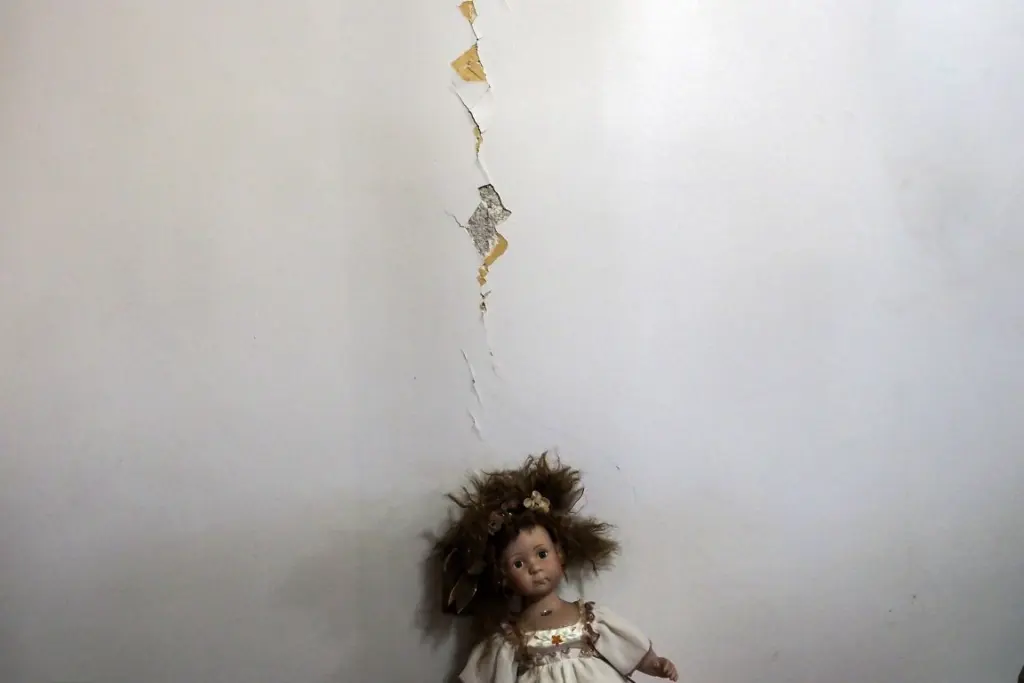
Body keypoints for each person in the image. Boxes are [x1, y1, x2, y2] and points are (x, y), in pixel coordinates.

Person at [435, 453, 679, 682]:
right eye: (518, 563)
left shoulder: (591, 619)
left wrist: (654, 663)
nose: (534, 567)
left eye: (542, 554)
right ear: (503, 575)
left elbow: (628, 647)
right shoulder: (510, 639)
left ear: (559, 554)